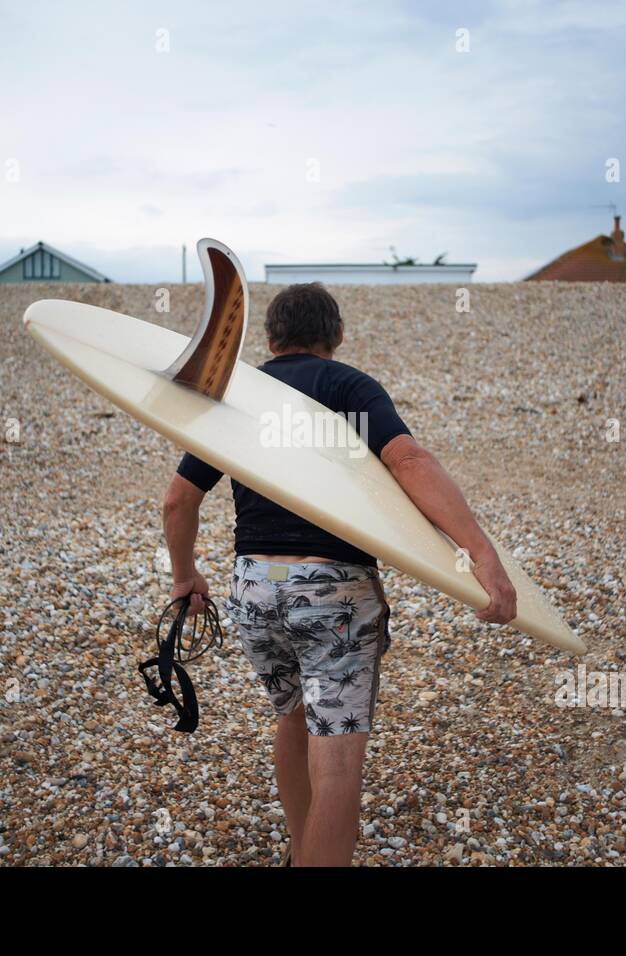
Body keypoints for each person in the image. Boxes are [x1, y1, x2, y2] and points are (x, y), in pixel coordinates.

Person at [161, 282, 516, 866]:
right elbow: (408, 461)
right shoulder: (348, 386)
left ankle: (303, 851)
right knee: (338, 760)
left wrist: (184, 577)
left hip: (254, 588)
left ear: (271, 339)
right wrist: (480, 553)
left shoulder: (240, 394)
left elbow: (178, 501)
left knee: (293, 716)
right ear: (337, 337)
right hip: (332, 597)